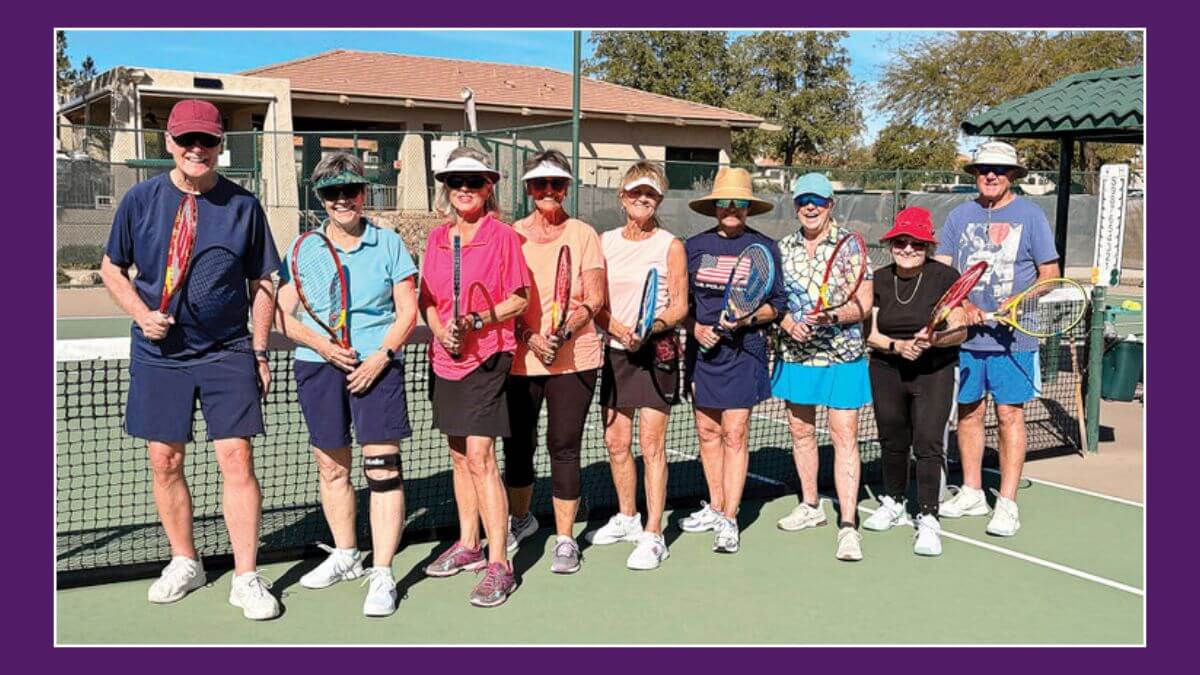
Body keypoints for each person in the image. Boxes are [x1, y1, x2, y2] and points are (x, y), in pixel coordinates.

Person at [98, 99, 281, 619]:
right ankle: (186, 561)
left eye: (208, 140)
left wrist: (261, 351)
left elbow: (262, 282)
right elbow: (113, 268)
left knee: (237, 459)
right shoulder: (139, 200)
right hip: (161, 354)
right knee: (165, 460)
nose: (197, 149)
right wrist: (139, 312)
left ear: (222, 145)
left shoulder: (244, 206)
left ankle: (246, 576)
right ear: (169, 144)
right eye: (186, 140)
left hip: (227, 351)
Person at [275, 153, 418, 616]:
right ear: (320, 199)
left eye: (350, 191)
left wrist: (381, 356)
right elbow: (281, 313)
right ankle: (345, 554)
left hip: (377, 367)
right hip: (319, 366)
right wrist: (324, 344)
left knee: (382, 471)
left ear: (364, 193)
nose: (342, 200)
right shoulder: (306, 248)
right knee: (332, 469)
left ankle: (382, 572)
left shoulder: (389, 243)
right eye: (332, 193)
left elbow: (408, 312)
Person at [418, 147, 530, 608]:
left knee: (482, 456)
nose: (464, 188)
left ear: (489, 188)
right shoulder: (437, 239)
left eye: (474, 181)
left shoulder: (503, 237)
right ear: (447, 188)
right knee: (459, 452)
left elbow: (519, 299)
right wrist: (441, 329)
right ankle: (468, 544)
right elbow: (427, 298)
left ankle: (499, 563)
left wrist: (480, 320)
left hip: (488, 357)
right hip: (446, 357)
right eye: (456, 181)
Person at [935, 141, 1059, 537]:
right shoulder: (959, 216)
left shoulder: (1031, 215)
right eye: (984, 168)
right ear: (975, 173)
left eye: (1000, 170)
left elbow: (1050, 273)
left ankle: (1006, 503)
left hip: (1014, 340)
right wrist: (963, 302)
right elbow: (943, 272)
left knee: (1010, 415)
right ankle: (972, 490)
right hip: (967, 338)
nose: (991, 175)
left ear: (1011, 176)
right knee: (969, 413)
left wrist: (1021, 300)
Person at [504, 150, 607, 574]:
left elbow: (595, 298)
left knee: (563, 448)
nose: (549, 192)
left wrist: (561, 334)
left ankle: (565, 540)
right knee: (518, 447)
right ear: (528, 188)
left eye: (557, 184)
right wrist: (530, 338)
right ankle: (522, 521)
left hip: (575, 360)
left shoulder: (584, 234)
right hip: (520, 360)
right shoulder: (511, 235)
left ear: (567, 188)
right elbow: (506, 302)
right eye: (540, 184)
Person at [680, 167, 786, 554]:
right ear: (714, 207)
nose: (731, 208)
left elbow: (778, 305)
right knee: (707, 433)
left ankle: (729, 517)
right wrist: (694, 329)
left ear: (748, 208)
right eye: (725, 202)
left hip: (745, 355)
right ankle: (716, 504)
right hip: (702, 353)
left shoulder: (765, 247)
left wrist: (746, 318)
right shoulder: (692, 247)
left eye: (739, 203)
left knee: (735, 433)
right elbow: (682, 304)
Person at [590, 162, 687, 570]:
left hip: (655, 354)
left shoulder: (670, 244)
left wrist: (650, 328)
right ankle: (627, 516)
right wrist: (616, 327)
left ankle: (652, 533)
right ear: (622, 198)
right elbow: (595, 302)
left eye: (650, 194)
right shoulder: (604, 242)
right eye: (635, 193)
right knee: (616, 443)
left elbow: (680, 305)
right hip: (615, 352)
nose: (642, 199)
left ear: (659, 200)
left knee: (652, 446)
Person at [772, 172, 873, 562]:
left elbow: (862, 303)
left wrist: (832, 317)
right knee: (800, 432)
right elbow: (774, 300)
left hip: (842, 356)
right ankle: (811, 505)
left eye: (817, 200)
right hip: (795, 356)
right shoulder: (782, 248)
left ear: (831, 204)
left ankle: (848, 526)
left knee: (844, 436)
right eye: (802, 200)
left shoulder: (850, 246)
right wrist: (786, 323)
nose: (809, 207)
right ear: (795, 205)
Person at [862, 207, 968, 556]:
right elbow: (871, 334)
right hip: (886, 367)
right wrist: (897, 346)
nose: (908, 249)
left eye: (917, 244)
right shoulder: (878, 278)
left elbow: (960, 327)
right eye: (901, 242)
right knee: (892, 439)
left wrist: (933, 341)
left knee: (927, 442)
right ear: (891, 243)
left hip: (934, 370)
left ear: (928, 246)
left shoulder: (944, 277)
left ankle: (927, 516)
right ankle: (892, 501)